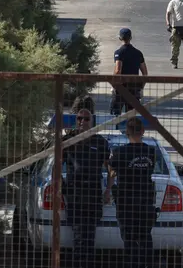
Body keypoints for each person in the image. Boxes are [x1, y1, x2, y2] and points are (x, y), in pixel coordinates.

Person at [61, 109, 110, 268]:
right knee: (78, 234)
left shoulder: (100, 142)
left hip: (93, 193)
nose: (82, 121)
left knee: (89, 235)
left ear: (92, 121)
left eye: (86, 119)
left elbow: (110, 169)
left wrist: (108, 190)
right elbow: (56, 164)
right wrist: (58, 187)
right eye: (79, 118)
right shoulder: (68, 140)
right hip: (74, 193)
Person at [107, 117, 156, 268]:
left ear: (126, 132)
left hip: (126, 204)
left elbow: (111, 171)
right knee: (145, 238)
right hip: (145, 203)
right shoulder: (151, 152)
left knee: (129, 240)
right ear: (143, 131)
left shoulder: (120, 152)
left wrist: (109, 189)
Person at [110, 28, 148, 116]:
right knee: (131, 116)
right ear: (131, 38)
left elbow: (117, 71)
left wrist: (113, 85)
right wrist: (141, 87)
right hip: (134, 88)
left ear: (120, 38)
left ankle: (116, 129)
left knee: (114, 115)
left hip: (121, 88)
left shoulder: (119, 53)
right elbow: (145, 73)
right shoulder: (138, 53)